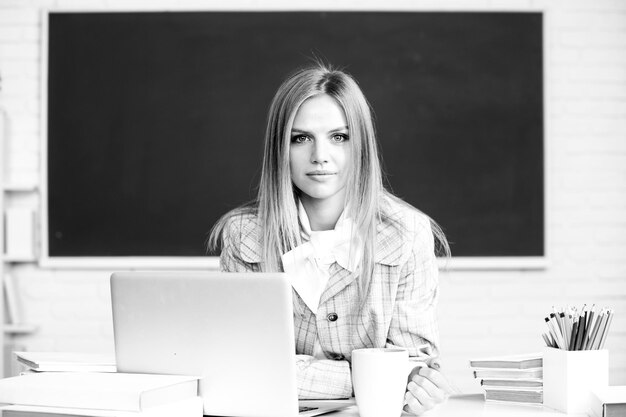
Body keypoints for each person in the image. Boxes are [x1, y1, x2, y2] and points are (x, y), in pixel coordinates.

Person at [208, 63, 453, 415]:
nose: (320, 156)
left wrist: (419, 388)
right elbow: (241, 366)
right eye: (300, 138)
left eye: (339, 137)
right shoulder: (244, 237)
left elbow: (416, 372)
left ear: (361, 146)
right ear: (280, 149)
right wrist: (366, 375)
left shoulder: (408, 234)